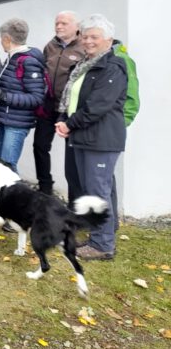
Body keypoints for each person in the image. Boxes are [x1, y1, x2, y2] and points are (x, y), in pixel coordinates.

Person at [55, 14, 127, 261]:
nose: (88, 41)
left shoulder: (113, 67)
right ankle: (98, 236)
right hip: (83, 135)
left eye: (94, 37)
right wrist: (63, 118)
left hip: (101, 138)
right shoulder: (85, 65)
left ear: (108, 39)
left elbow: (98, 105)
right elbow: (72, 98)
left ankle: (103, 245)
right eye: (85, 37)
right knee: (90, 189)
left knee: (98, 190)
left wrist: (69, 124)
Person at [32, 11, 84, 195]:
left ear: (76, 26)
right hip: (49, 106)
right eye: (57, 23)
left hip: (70, 109)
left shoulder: (83, 47)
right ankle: (45, 188)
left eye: (64, 23)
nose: (59, 26)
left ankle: (75, 195)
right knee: (40, 146)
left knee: (72, 153)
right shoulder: (50, 46)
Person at [0, 18, 46, 172]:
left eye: (1, 38)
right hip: (4, 119)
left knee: (8, 168)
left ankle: (17, 189)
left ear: (7, 39)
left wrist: (5, 96)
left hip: (16, 124)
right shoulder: (12, 57)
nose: (1, 42)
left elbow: (36, 97)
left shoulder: (28, 61)